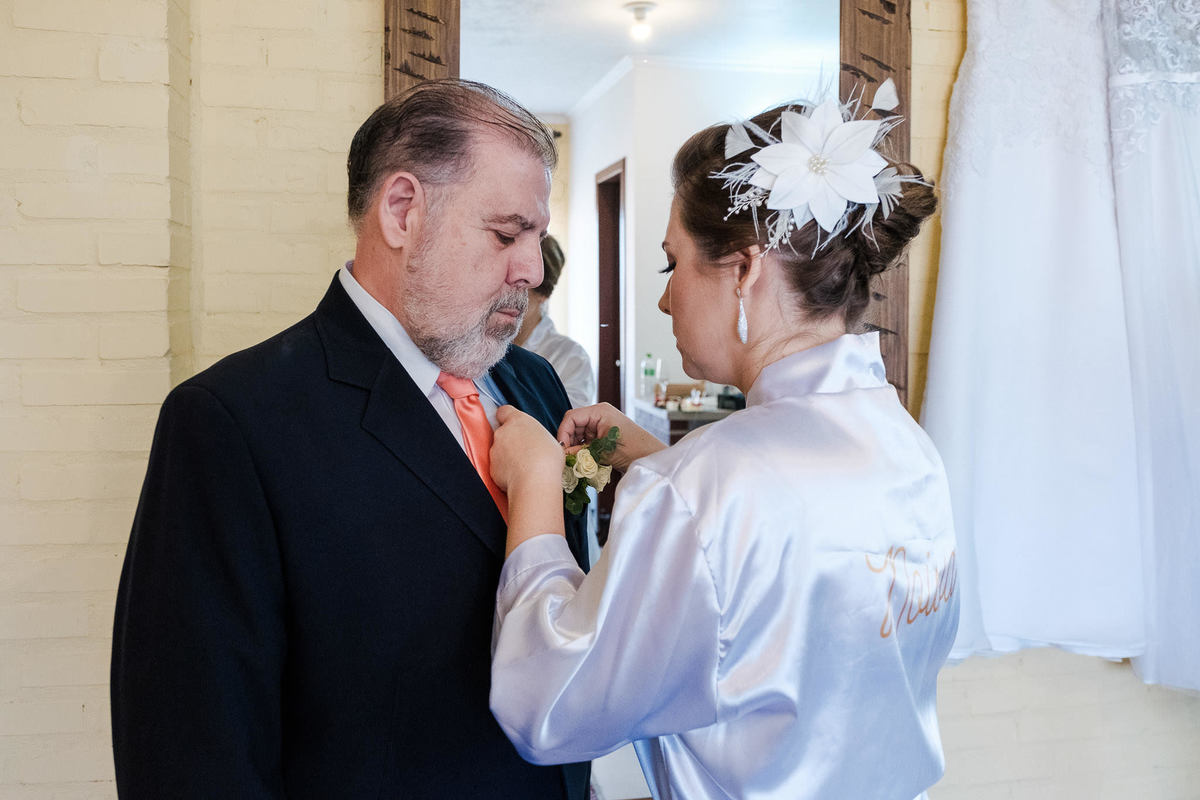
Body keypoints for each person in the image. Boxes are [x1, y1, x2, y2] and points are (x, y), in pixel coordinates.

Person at [110, 79, 590, 799]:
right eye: (506, 233)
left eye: (537, 238)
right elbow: (192, 748)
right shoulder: (232, 422)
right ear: (402, 211)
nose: (530, 267)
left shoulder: (534, 386)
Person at [487, 91, 959, 799]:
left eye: (669, 264)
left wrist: (534, 496)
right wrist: (662, 463)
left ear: (744, 270)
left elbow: (549, 707)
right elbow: (802, 591)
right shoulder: (908, 449)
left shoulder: (702, 490)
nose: (665, 300)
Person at [514, 234, 596, 408]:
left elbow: (566, 426)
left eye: (520, 285)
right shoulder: (476, 348)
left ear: (544, 293)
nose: (505, 293)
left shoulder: (570, 358)